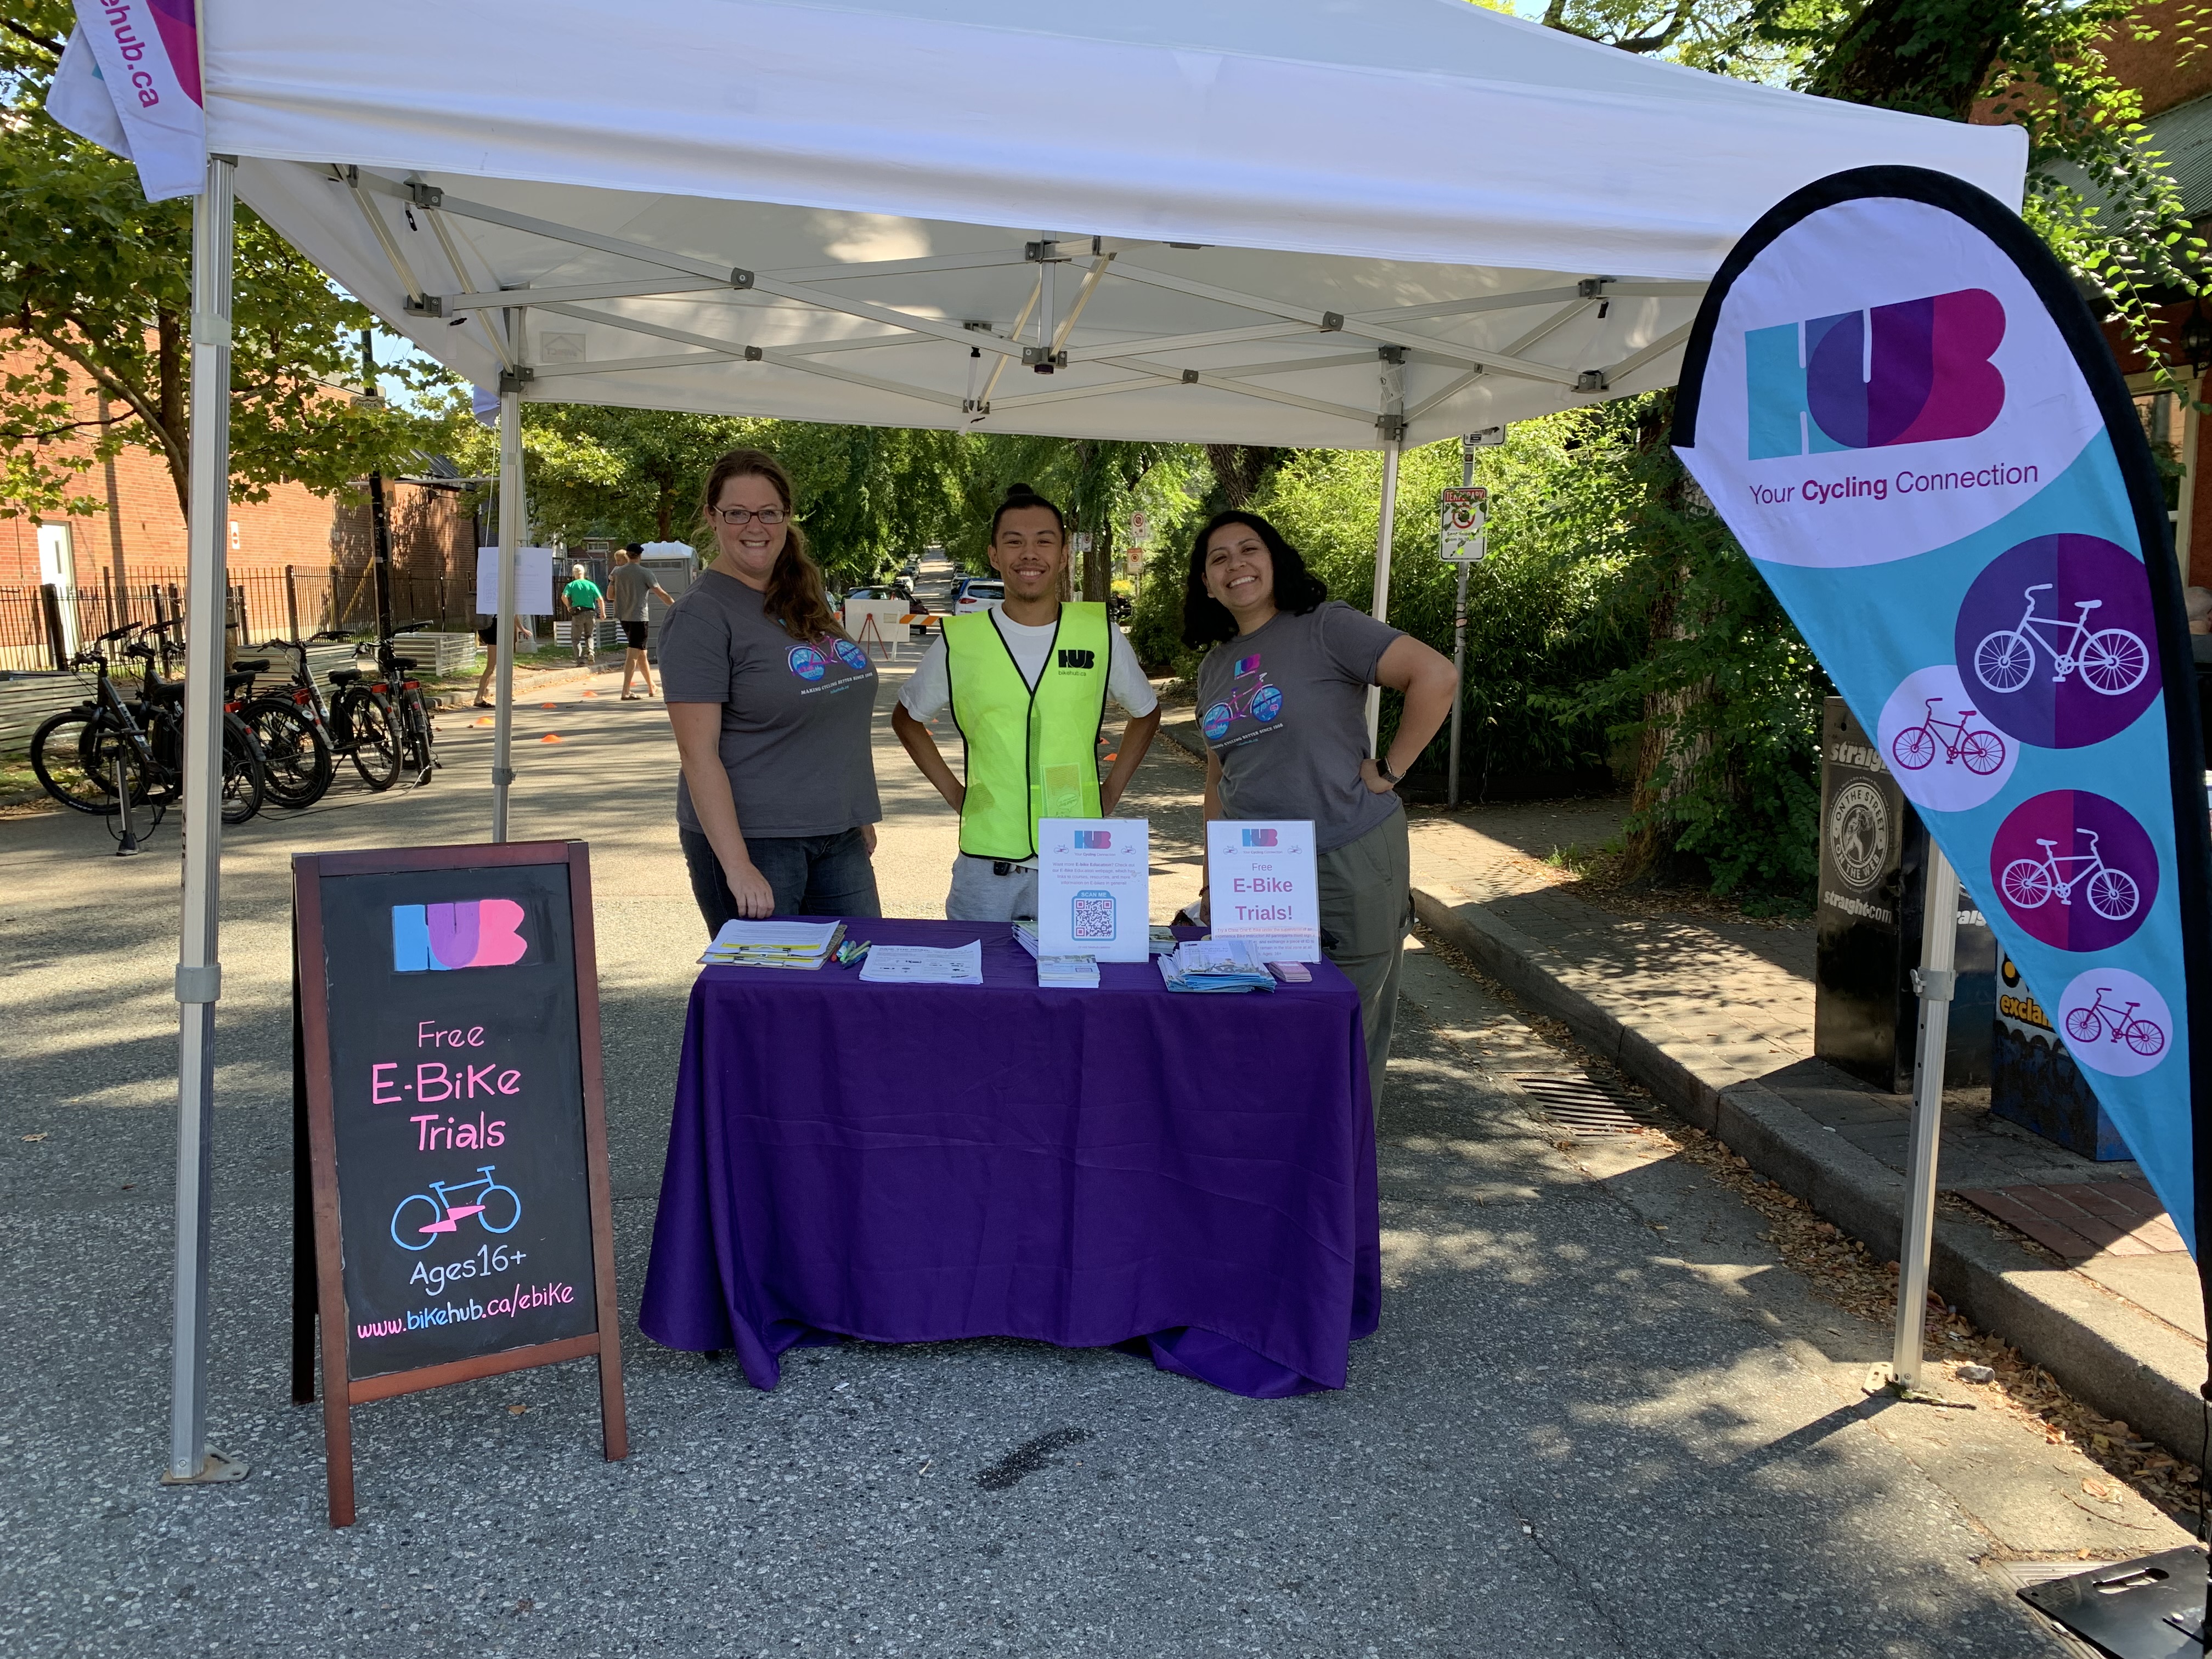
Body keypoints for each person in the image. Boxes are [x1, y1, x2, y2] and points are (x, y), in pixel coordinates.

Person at [1183, 510, 1458, 1108]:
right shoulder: (1213, 667)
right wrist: (1213, 880)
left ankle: (1340, 1177)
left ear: (1275, 559)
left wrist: (1390, 770)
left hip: (1347, 856)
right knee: (1266, 1019)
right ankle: (1283, 1163)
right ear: (1206, 583)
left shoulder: (1325, 627)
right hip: (1257, 876)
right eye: (1219, 558)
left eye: (1248, 549)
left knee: (1347, 1027)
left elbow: (1435, 675)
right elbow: (1218, 775)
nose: (1236, 565)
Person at [891, 483, 1162, 922]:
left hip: (1077, 859)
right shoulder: (962, 641)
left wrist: (1109, 792)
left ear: (1063, 552)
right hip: (987, 866)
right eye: (1014, 542)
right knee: (983, 986)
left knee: (1078, 983)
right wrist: (956, 795)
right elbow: (907, 720)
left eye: (1044, 541)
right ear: (995, 555)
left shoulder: (1100, 635)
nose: (1029, 554)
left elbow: (1147, 713)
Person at [660, 449, 883, 930]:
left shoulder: (803, 592)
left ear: (786, 516)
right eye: (737, 513)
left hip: (838, 834)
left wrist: (853, 808)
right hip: (757, 843)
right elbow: (697, 755)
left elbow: (833, 706)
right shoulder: (700, 616)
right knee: (770, 999)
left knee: (856, 988)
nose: (754, 526)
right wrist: (737, 868)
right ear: (711, 518)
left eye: (768, 512)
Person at [607, 544, 674, 700]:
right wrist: (675, 606)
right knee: (633, 654)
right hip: (639, 617)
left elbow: (610, 596)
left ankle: (652, 687)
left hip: (624, 617)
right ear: (640, 556)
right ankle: (626, 691)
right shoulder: (645, 573)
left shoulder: (617, 573)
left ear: (628, 555)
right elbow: (660, 593)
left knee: (641, 652)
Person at [561, 563, 606, 668]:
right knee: (589, 635)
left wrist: (568, 606)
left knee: (576, 638)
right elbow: (600, 600)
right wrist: (603, 613)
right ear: (584, 573)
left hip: (578, 614)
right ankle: (591, 651)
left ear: (574, 574)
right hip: (591, 613)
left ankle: (580, 661)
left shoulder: (571, 585)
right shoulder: (591, 585)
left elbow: (564, 597)